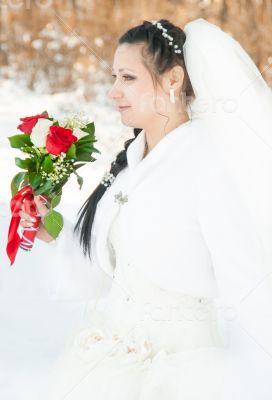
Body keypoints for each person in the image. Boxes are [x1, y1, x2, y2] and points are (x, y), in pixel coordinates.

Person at [19, 19, 272, 399]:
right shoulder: (131, 165)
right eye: (114, 77)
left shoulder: (208, 161)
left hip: (181, 368)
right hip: (110, 358)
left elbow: (248, 285)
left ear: (172, 80)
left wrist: (249, 375)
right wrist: (52, 228)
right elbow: (114, 265)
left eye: (127, 78)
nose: (112, 91)